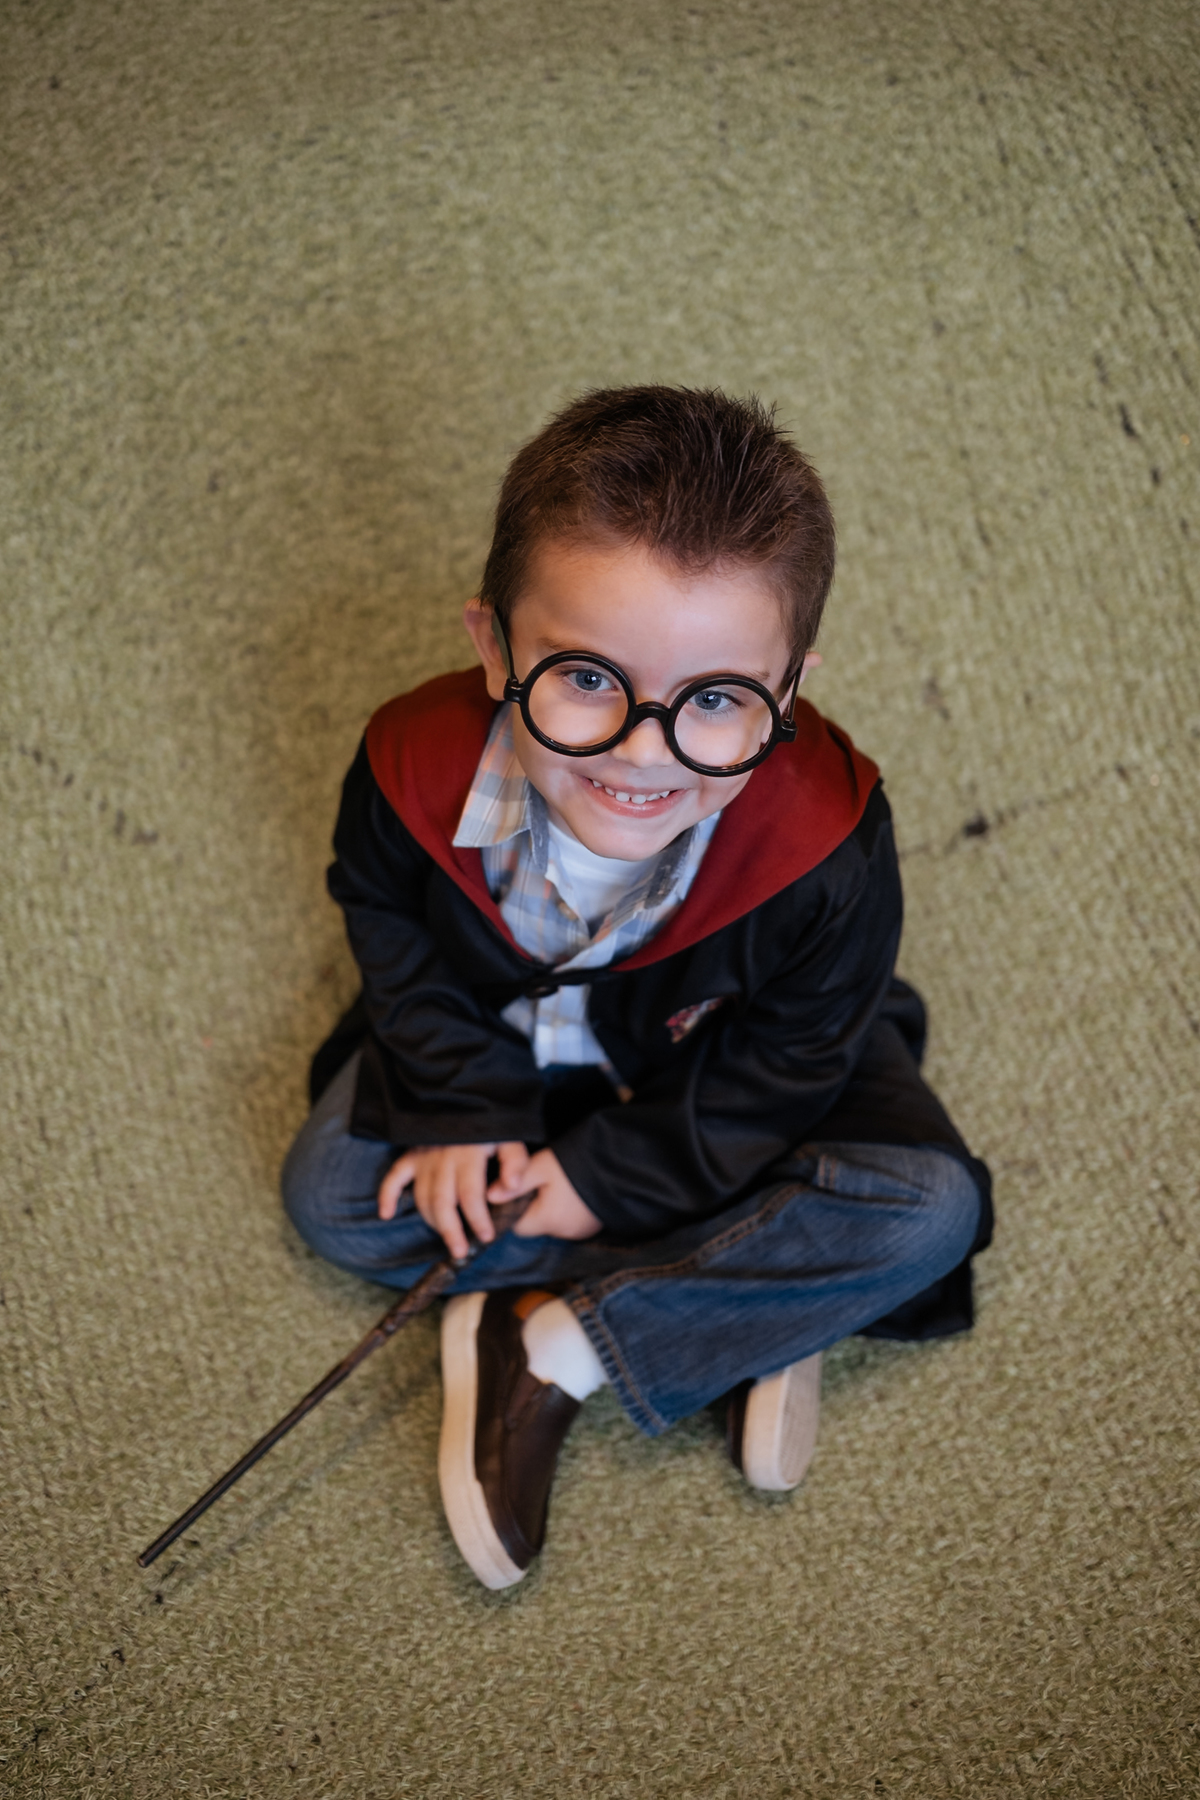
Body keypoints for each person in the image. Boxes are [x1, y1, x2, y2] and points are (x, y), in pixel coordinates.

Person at [282, 386, 992, 1590]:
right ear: (495, 645)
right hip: (504, 1049)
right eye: (587, 678)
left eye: (718, 700)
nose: (642, 750)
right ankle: (751, 1303)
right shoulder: (410, 754)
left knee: (928, 1213)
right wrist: (462, 1110)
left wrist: (603, 1182)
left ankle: (558, 1344)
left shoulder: (831, 840)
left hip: (729, 1081)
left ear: (791, 689)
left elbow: (791, 1062)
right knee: (335, 1198)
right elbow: (386, 918)